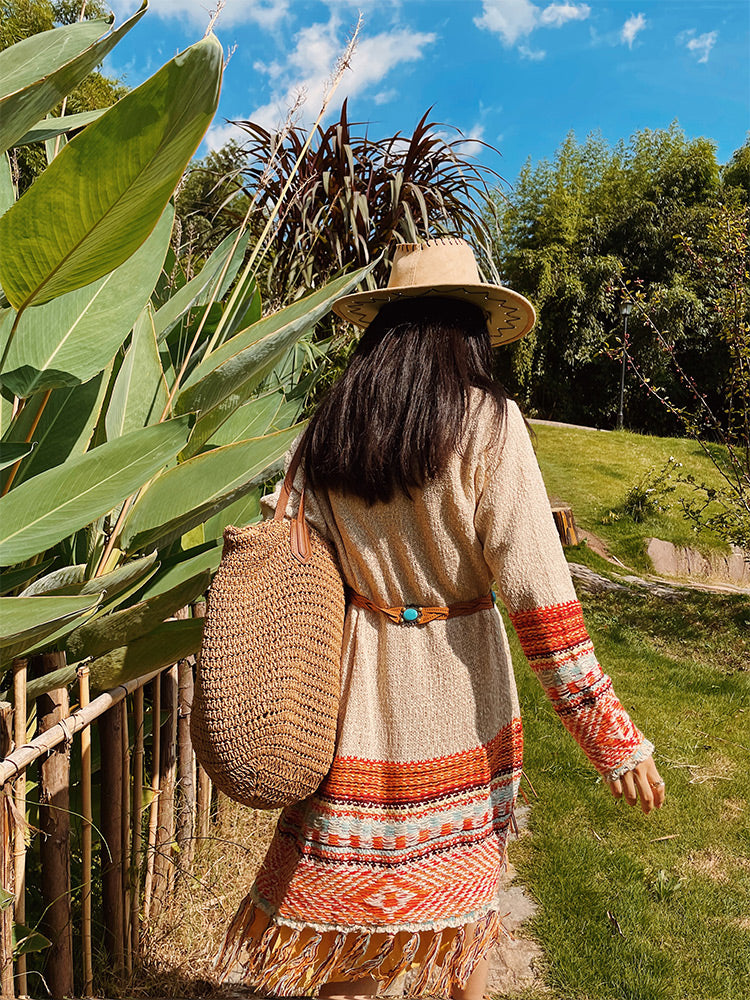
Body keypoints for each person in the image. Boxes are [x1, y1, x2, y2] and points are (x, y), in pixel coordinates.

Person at [216, 238, 665, 1000]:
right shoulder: (488, 424)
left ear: (383, 331)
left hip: (352, 695)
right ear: (468, 331)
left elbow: (281, 537)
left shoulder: (330, 429)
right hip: (462, 694)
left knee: (350, 926)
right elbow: (539, 597)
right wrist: (612, 740)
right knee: (463, 924)